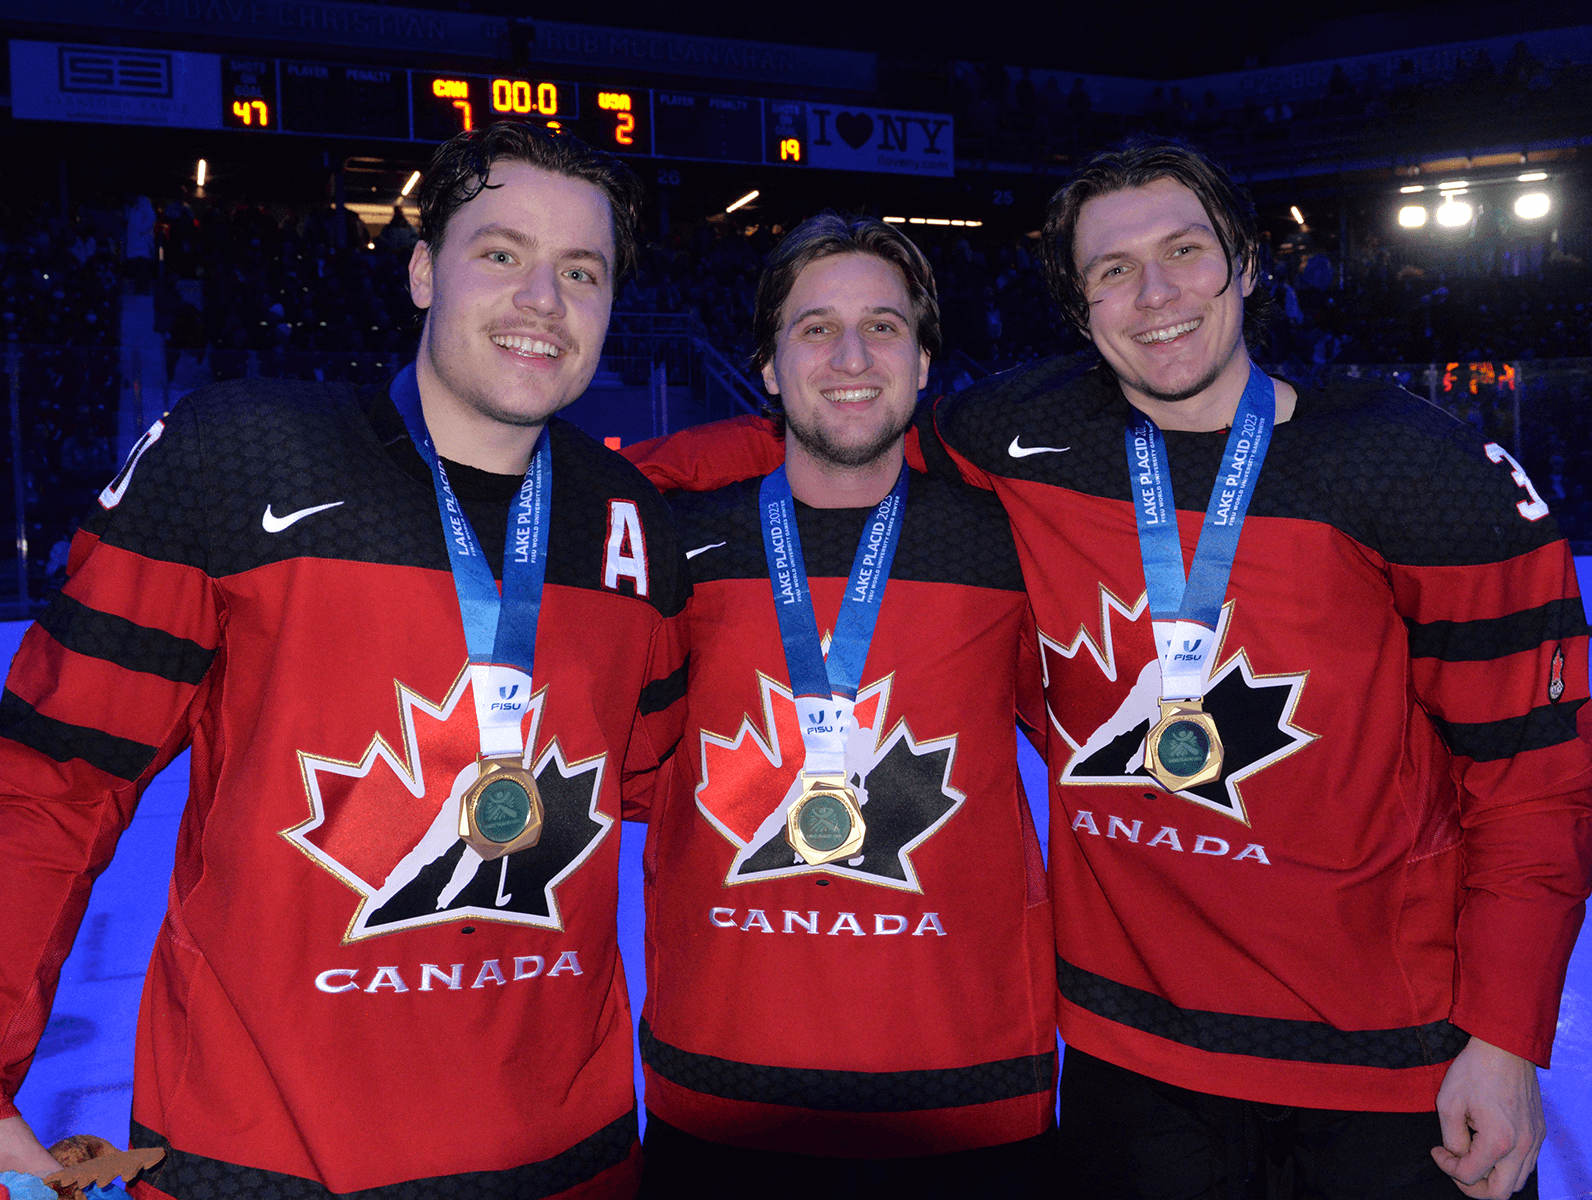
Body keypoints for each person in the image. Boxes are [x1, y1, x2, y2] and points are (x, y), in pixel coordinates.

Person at [0, 121, 687, 1199]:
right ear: (421, 270)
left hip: (571, 1162)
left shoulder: (629, 520)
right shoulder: (242, 454)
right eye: (500, 253)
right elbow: (50, 782)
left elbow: (656, 780)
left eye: (580, 271)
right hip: (265, 1163)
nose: (542, 300)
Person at [918, 138, 1592, 1198]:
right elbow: (834, 439)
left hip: (1386, 1063)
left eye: (1185, 251)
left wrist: (1505, 1038)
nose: (1154, 294)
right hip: (1129, 1056)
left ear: (1244, 262)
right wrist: (625, 487)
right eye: (1112, 270)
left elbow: (1533, 779)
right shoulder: (1017, 436)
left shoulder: (1412, 465)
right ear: (1077, 305)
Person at [621, 215, 1058, 1198]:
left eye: (884, 327)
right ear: (767, 369)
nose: (852, 357)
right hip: (721, 1075)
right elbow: (629, 772)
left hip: (969, 1083)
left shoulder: (1012, 540)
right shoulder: (674, 544)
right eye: (814, 329)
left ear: (924, 359)